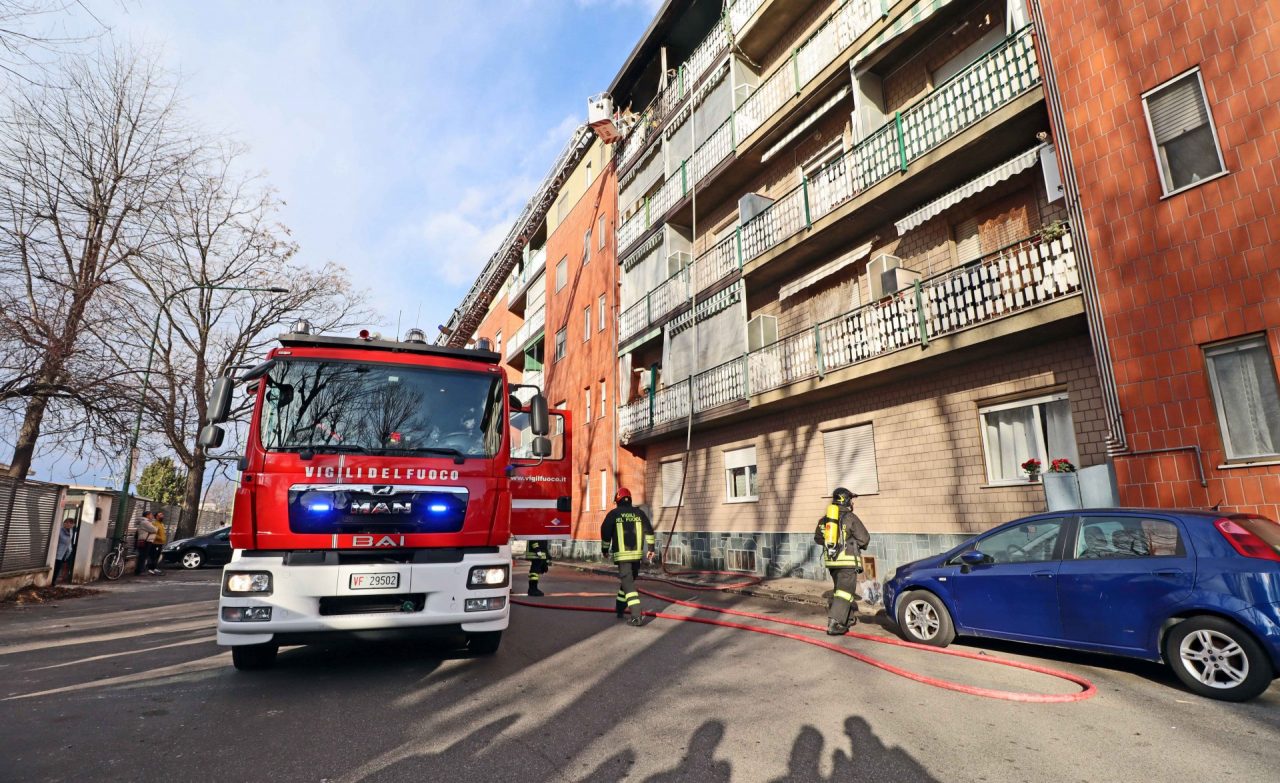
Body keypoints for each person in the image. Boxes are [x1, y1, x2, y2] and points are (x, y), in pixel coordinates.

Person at [814, 487, 871, 635]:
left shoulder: (825, 519)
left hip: (832, 562)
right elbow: (864, 538)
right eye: (850, 499)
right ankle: (835, 623)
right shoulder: (850, 517)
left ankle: (848, 618)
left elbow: (818, 538)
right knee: (845, 592)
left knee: (841, 590)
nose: (852, 503)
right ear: (845, 499)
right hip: (847, 562)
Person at [600, 487, 655, 626]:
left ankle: (636, 616)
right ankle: (619, 608)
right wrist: (651, 549)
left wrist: (605, 549)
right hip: (636, 557)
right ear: (629, 499)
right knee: (628, 582)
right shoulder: (639, 513)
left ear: (617, 500)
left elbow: (605, 532)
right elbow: (649, 530)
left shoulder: (614, 514)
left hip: (622, 557)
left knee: (628, 584)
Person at [51, 517, 75, 585]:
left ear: (73, 525)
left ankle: (54, 581)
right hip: (56, 552)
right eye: (66, 522)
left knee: (58, 568)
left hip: (63, 553)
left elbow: (69, 545)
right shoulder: (60, 530)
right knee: (55, 567)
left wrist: (67, 555)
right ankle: (52, 581)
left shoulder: (71, 532)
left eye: (70, 523)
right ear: (64, 523)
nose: (68, 524)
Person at [135, 512, 157, 576]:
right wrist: (155, 527)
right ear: (147, 515)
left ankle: (141, 570)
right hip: (145, 541)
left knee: (143, 556)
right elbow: (154, 530)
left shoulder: (146, 522)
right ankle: (139, 571)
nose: (152, 516)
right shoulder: (145, 522)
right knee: (143, 556)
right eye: (151, 515)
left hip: (144, 540)